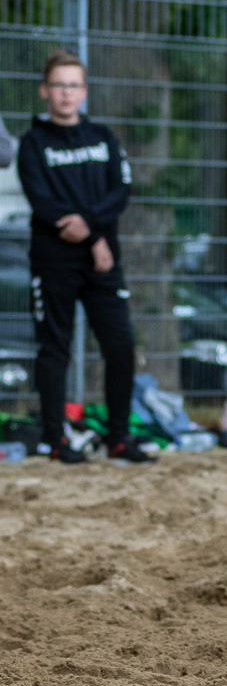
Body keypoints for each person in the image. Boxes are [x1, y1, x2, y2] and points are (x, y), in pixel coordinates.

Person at [17, 49, 153, 465]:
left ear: (84, 91)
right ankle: (56, 441)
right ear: (45, 90)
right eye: (59, 85)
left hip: (103, 263)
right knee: (54, 350)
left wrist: (92, 234)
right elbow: (42, 201)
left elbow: (120, 193)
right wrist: (88, 234)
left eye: (74, 85)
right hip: (55, 263)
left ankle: (118, 438)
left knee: (121, 345)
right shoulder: (32, 143)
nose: (66, 93)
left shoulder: (104, 138)